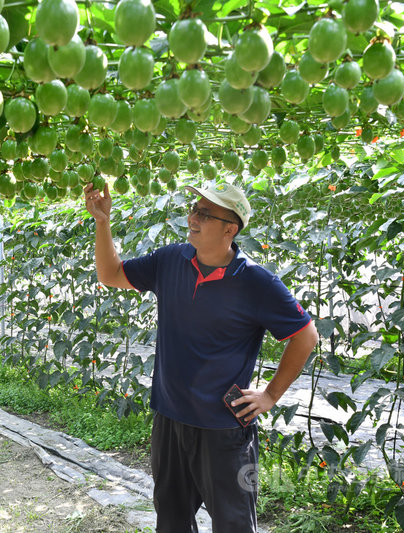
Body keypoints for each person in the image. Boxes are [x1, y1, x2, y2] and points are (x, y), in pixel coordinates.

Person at [84, 181, 318, 532]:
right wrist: (103, 222)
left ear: (230, 229)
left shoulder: (257, 282)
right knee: (172, 520)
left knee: (233, 524)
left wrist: (271, 395)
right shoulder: (170, 260)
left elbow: (305, 334)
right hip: (171, 419)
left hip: (224, 431)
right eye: (194, 208)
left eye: (204, 214)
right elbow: (111, 274)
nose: (192, 217)